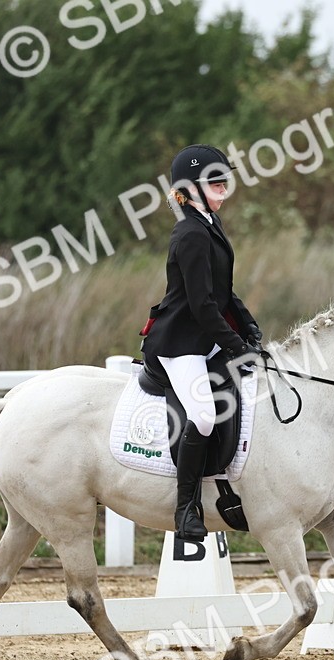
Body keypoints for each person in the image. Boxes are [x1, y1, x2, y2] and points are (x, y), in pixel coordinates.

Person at [139, 144, 262, 543]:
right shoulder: (190, 233)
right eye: (213, 179)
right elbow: (201, 304)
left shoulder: (210, 222)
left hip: (205, 332)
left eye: (224, 176)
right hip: (180, 343)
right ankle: (186, 507)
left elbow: (223, 293)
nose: (222, 183)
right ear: (189, 189)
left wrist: (248, 327)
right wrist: (233, 345)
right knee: (205, 415)